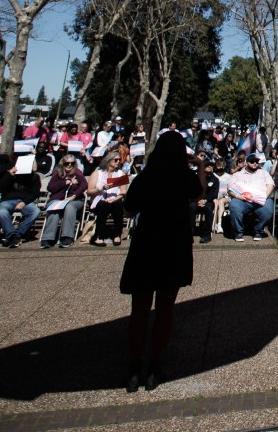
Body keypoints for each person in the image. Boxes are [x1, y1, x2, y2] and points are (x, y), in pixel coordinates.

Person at [120, 130, 203, 392]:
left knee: (140, 310)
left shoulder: (145, 178)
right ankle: (155, 367)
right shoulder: (185, 177)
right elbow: (198, 192)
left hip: (146, 243)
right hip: (174, 244)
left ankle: (134, 369)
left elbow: (128, 209)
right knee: (166, 308)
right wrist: (199, 164)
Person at [41, 154, 88, 249]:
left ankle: (67, 237)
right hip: (57, 199)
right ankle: (48, 238)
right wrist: (65, 183)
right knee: (54, 209)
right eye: (67, 163)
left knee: (69, 207)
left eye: (72, 163)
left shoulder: (78, 173)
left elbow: (84, 185)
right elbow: (50, 188)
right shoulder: (57, 174)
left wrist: (74, 195)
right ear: (63, 163)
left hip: (73, 200)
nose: (70, 165)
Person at [0, 157, 43, 248]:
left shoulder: (34, 177)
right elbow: (0, 189)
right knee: (1, 210)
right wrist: (9, 175)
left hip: (25, 201)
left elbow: (35, 193)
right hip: (8, 200)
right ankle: (12, 235)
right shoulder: (10, 175)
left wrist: (24, 202)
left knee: (35, 211)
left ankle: (17, 234)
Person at [227, 153, 275, 241]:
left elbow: (270, 185)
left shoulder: (264, 173)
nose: (255, 163)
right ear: (246, 163)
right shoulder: (237, 175)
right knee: (234, 205)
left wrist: (264, 196)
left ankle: (258, 231)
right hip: (243, 200)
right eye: (252, 162)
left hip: (261, 199)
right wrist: (238, 196)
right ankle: (238, 232)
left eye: (256, 162)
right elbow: (230, 189)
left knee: (268, 209)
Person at [88, 152, 130, 247]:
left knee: (118, 204)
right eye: (116, 160)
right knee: (105, 204)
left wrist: (114, 199)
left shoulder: (121, 174)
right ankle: (99, 236)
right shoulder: (97, 173)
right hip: (98, 200)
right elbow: (89, 191)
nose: (118, 161)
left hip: (115, 200)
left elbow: (123, 192)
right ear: (108, 160)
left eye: (119, 160)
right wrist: (102, 188)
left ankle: (117, 235)